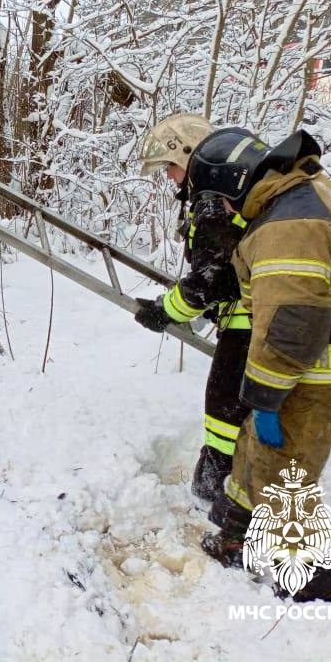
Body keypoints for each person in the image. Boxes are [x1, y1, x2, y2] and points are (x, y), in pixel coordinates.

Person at [188, 128, 331, 602]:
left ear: (235, 184)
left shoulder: (286, 227)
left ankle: (315, 580)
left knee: (282, 470)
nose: (228, 214)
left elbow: (291, 326)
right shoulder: (326, 195)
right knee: (253, 445)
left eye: (223, 202)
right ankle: (234, 532)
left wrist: (265, 397)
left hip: (320, 373)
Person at [133, 115, 252, 502]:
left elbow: (212, 280)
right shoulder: (231, 194)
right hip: (258, 318)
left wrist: (164, 311)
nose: (168, 176)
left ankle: (220, 489)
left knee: (224, 411)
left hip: (250, 324)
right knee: (237, 409)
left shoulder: (213, 204)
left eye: (170, 166)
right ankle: (228, 482)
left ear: (190, 155)